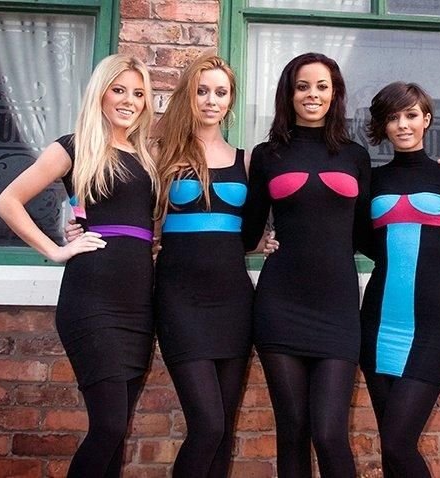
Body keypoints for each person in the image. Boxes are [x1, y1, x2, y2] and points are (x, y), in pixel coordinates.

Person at [0, 54, 157, 477]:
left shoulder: (145, 155)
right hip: (92, 300)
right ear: (100, 93)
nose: (129, 101)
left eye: (138, 93)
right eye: (119, 90)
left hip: (139, 304)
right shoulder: (72, 147)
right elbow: (7, 201)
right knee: (108, 426)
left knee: (118, 432)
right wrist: (55, 249)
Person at [241, 52, 371, 478]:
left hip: (337, 309)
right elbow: (246, 231)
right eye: (302, 86)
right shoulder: (268, 154)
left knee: (330, 434)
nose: (312, 95)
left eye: (321, 87)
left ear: (335, 94)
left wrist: (430, 255)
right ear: (289, 93)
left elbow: (368, 235)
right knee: (293, 430)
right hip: (280, 305)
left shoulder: (355, 155)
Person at [151, 51, 275, 478]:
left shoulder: (247, 160)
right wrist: (75, 221)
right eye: (202, 91)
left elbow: (251, 231)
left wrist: (267, 242)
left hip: (234, 303)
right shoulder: (162, 154)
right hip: (179, 302)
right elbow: (122, 201)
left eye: (220, 92)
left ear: (230, 100)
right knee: (207, 425)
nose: (211, 100)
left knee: (223, 433)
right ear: (188, 95)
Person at [359, 82, 440, 477]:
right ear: (384, 126)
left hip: (431, 328)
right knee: (391, 450)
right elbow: (359, 238)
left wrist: (431, 260)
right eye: (393, 117)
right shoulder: (372, 180)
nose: (402, 124)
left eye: (410, 115)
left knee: (398, 443)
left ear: (426, 119)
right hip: (377, 324)